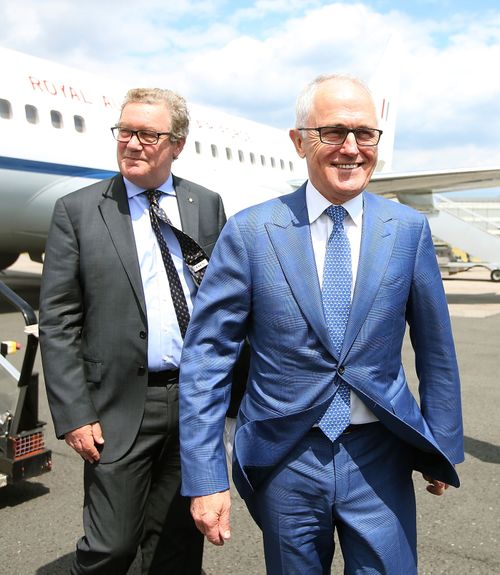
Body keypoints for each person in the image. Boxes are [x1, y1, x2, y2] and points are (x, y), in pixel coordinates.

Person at [179, 75, 464, 574]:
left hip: (381, 455)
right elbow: (207, 360)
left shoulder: (408, 231)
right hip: (286, 456)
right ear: (299, 141)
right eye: (333, 132)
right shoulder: (250, 232)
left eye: (365, 133)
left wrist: (440, 443)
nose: (351, 148)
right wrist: (205, 477)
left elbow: (435, 348)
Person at [39, 87, 243, 574]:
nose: (131, 143)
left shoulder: (205, 205)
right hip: (119, 404)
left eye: (147, 134)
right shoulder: (79, 210)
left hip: (194, 400)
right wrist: (73, 411)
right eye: (124, 131)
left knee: (176, 546)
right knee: (111, 546)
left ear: (177, 143)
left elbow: (225, 301)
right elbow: (59, 318)